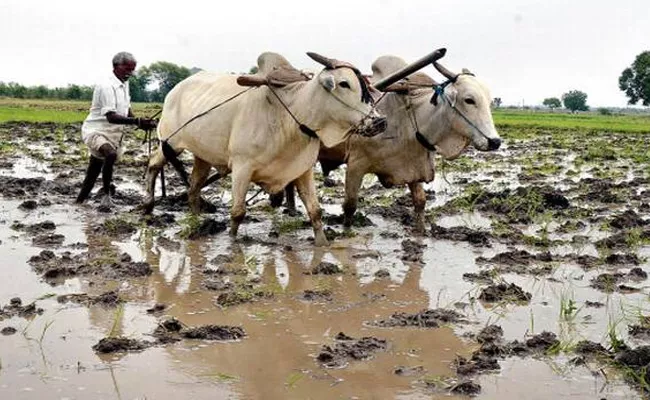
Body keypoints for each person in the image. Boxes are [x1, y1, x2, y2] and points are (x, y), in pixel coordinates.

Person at [75, 51, 157, 209]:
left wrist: (142, 123)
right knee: (110, 154)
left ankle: (78, 202)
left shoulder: (125, 84)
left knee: (93, 171)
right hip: (96, 130)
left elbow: (127, 111)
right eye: (127, 69)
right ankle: (106, 195)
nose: (130, 73)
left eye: (132, 70)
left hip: (113, 134)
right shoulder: (106, 86)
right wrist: (137, 121)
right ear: (116, 67)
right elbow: (111, 117)